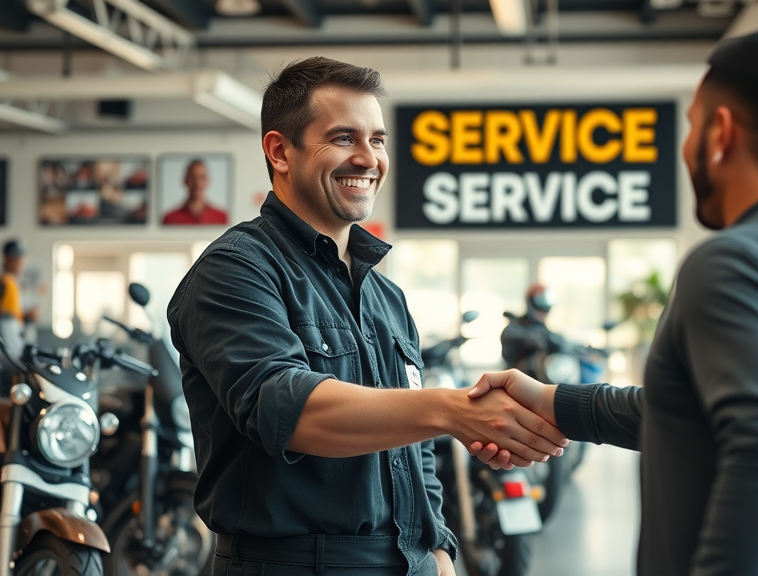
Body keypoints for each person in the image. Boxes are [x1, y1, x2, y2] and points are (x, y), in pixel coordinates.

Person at [467, 32, 758, 576]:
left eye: (692, 127)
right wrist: (555, 402)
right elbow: (703, 415)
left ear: (721, 133)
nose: (685, 148)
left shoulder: (738, 262)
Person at [166, 58, 568, 576]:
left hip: (410, 562)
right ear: (279, 151)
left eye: (377, 140)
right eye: (342, 138)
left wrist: (441, 550)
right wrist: (448, 410)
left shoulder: (386, 296)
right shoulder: (235, 269)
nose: (368, 158)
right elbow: (286, 410)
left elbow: (413, 450)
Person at [499, 284, 564, 376]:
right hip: (517, 378)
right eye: (540, 302)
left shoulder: (544, 329)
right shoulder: (516, 326)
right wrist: (527, 338)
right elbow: (509, 334)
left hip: (543, 379)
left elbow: (558, 340)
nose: (543, 309)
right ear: (530, 302)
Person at [0, 239, 38, 356]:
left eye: (20, 259)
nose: (20, 262)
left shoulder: (13, 282)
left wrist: (27, 316)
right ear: (7, 260)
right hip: (5, 346)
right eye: (15, 259)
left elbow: (14, 314)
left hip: (15, 338)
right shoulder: (4, 282)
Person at [161, 159, 229, 225]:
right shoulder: (170, 219)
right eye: (193, 177)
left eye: (202, 177)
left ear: (208, 181)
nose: (197, 183)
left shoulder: (221, 217)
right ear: (186, 180)